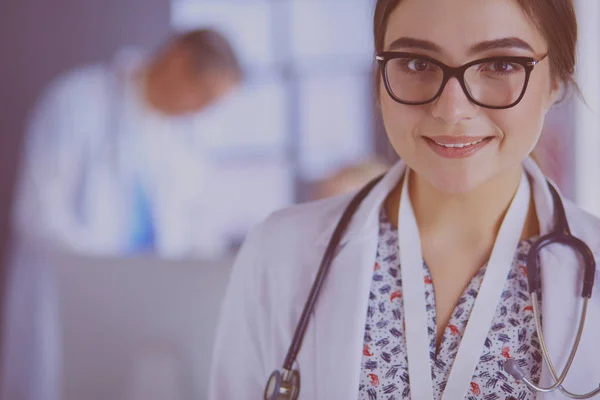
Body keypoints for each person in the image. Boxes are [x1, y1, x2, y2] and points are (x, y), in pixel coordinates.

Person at [209, 0, 600, 399]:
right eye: (417, 63)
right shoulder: (279, 252)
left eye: (500, 64)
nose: (452, 110)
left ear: (557, 81)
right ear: (380, 76)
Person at [12, 29, 242, 260]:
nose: (201, 110)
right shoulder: (77, 101)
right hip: (74, 287)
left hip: (144, 290)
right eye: (203, 95)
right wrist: (101, 273)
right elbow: (38, 212)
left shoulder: (182, 142)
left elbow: (191, 227)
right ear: (178, 61)